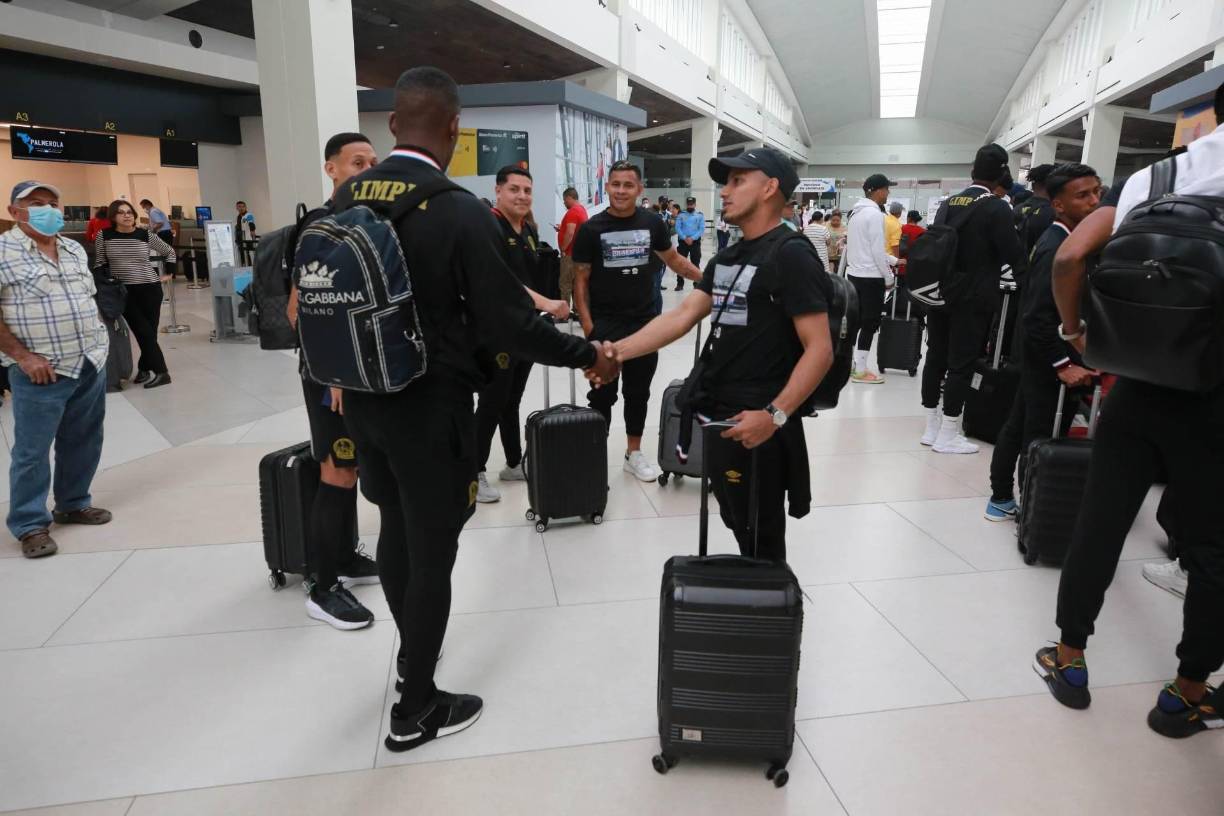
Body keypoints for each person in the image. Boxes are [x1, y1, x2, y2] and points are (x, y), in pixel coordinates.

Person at [323, 67, 618, 752]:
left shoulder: (344, 199)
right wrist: (589, 356)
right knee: (434, 553)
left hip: (362, 402)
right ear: (454, 131)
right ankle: (416, 705)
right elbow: (511, 325)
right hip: (430, 409)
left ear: (392, 125)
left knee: (396, 525)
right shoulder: (455, 210)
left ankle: (411, 652)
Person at [1035, 85, 1224, 738]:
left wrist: (1076, 333)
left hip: (1136, 382)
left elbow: (1069, 256)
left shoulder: (1159, 174)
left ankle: (1070, 658)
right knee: (1211, 550)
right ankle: (1186, 694)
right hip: (1214, 399)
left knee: (1101, 522)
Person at [607, 147, 834, 562]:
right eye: (725, 181)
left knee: (762, 536)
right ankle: (752, 601)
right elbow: (683, 315)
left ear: (769, 188)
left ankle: (770, 612)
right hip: (722, 417)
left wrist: (775, 415)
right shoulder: (728, 256)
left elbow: (820, 349)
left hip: (761, 419)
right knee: (738, 522)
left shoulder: (791, 253)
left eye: (736, 181)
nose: (724, 191)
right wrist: (614, 352)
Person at [286, 131, 382, 630]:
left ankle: (345, 556)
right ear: (332, 169)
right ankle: (323, 588)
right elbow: (302, 310)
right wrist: (339, 375)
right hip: (334, 379)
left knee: (357, 471)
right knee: (338, 471)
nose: (367, 169)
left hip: (364, 377)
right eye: (356, 162)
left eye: (372, 161)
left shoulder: (366, 225)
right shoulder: (321, 230)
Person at [1, 181, 112, 559]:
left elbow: (88, 297)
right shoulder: (3, 251)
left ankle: (73, 502)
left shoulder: (73, 248)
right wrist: (23, 357)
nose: (48, 209)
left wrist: (99, 339)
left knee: (84, 438)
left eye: (52, 203)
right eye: (36, 204)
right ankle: (30, 524)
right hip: (41, 370)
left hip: (89, 361)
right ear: (15, 211)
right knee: (32, 451)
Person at [572, 160, 702, 482]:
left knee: (638, 391)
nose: (620, 191)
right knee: (602, 393)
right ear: (607, 187)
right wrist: (590, 329)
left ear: (639, 189)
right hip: (605, 325)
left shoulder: (653, 224)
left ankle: (634, 452)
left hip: (645, 325)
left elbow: (674, 261)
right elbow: (581, 282)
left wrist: (710, 280)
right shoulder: (591, 229)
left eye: (628, 185)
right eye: (615, 184)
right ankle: (593, 452)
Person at [984, 163, 1100, 521]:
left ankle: (1001, 498)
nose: (1094, 202)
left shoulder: (1064, 241)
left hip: (1036, 355)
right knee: (1039, 434)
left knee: (1019, 423)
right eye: (1083, 195)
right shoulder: (1058, 248)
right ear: (1059, 204)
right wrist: (1063, 364)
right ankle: (1033, 515)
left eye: (1097, 192)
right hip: (1048, 359)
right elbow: (1038, 316)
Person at [474, 166, 571, 503]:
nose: (521, 196)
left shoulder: (527, 229)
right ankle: (474, 471)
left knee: (511, 398)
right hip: (496, 333)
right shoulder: (490, 226)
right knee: (491, 400)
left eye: (527, 190)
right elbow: (504, 282)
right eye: (514, 189)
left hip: (524, 330)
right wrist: (548, 302)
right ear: (498, 190)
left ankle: (513, 462)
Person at [919, 144, 1025, 454]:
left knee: (936, 355)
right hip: (974, 298)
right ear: (1002, 174)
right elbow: (1014, 256)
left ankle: (931, 426)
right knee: (961, 363)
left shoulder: (947, 202)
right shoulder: (996, 207)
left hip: (941, 293)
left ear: (972, 172)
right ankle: (950, 431)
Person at [94, 200, 175, 389]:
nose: (127, 215)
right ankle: (162, 372)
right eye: (121, 212)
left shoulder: (144, 234)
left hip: (151, 288)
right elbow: (99, 262)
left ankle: (144, 368)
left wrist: (168, 273)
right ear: (113, 217)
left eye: (130, 212)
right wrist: (105, 283)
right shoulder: (104, 236)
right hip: (124, 291)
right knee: (142, 331)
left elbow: (169, 251)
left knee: (149, 333)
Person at [844, 174, 897, 384]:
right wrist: (888, 276)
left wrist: (893, 260)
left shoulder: (855, 213)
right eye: (886, 189)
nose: (888, 193)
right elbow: (876, 250)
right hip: (871, 277)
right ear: (875, 191)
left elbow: (862, 246)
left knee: (856, 322)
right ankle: (861, 370)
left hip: (855, 275)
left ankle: (850, 364)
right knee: (870, 323)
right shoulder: (875, 215)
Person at [555, 187, 587, 307]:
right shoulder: (582, 210)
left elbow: (570, 233)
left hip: (569, 255)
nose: (564, 202)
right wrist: (561, 228)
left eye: (564, 200)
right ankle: (577, 311)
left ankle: (564, 313)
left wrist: (563, 249)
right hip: (578, 254)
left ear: (569, 197)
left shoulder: (573, 212)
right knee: (576, 284)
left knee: (565, 284)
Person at [1016, 163, 1056, 255]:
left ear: (1033, 186)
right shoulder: (1053, 213)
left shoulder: (1016, 209)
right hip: (1039, 266)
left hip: (1015, 266)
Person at [674, 196, 705, 291]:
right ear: (686, 204)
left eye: (692, 204)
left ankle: (696, 283)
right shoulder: (681, 215)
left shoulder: (700, 215)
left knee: (695, 263)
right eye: (688, 204)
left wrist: (692, 238)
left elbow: (701, 229)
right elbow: (677, 228)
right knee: (680, 264)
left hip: (695, 242)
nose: (690, 206)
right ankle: (680, 284)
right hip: (683, 242)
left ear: (695, 205)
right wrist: (684, 237)